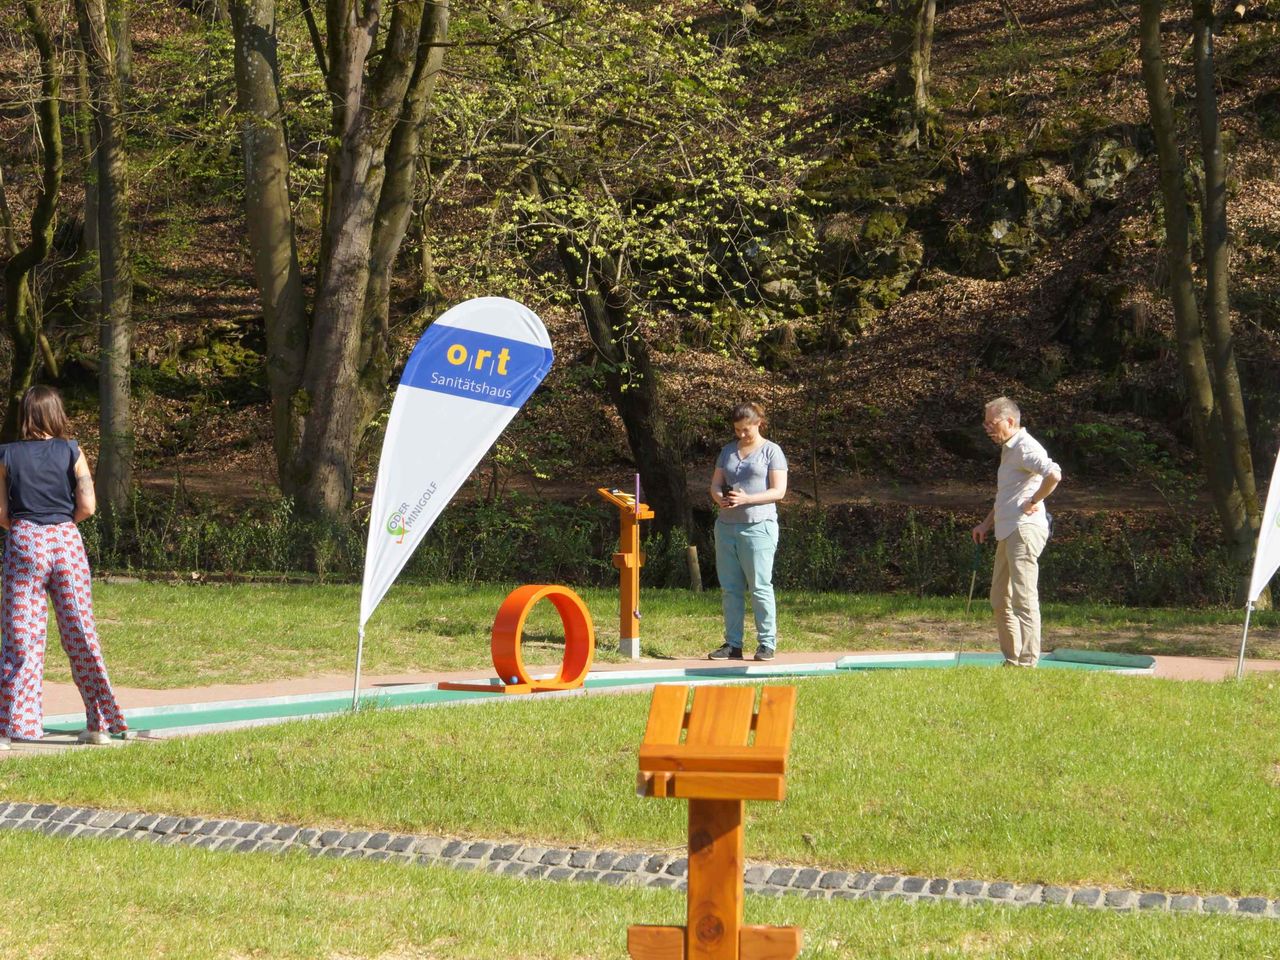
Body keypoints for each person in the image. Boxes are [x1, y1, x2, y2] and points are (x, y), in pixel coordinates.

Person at [0, 385, 128, 748]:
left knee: (20, 637)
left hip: (25, 541)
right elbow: (87, 505)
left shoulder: (6, 455)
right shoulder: (73, 450)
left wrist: (28, 528)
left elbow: (0, 513)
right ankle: (98, 725)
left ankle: (10, 730)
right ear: (57, 414)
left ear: (26, 414)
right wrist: (59, 524)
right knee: (81, 633)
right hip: (66, 542)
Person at [970, 396, 1062, 668]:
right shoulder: (1009, 449)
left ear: (1010, 421)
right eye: (985, 423)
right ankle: (1012, 660)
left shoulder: (1024, 446)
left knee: (1023, 598)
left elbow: (1054, 474)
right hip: (1007, 530)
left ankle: (1027, 663)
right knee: (999, 598)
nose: (987, 429)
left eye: (991, 423)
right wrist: (985, 524)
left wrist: (1034, 501)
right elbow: (1007, 497)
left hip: (1024, 530)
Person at [708, 402, 788, 661]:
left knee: (760, 586)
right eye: (737, 430)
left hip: (758, 527)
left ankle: (767, 643)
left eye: (746, 430)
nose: (741, 435)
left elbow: (779, 492)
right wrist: (720, 497)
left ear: (758, 424)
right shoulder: (727, 451)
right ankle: (733, 644)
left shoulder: (772, 452)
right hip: (726, 527)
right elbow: (715, 484)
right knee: (730, 588)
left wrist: (747, 499)